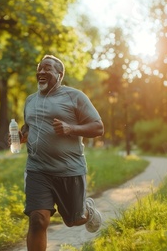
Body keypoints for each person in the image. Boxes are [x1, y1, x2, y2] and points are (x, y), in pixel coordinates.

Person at [15, 55, 104, 250]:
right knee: (37, 220)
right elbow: (29, 128)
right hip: (38, 170)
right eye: (39, 69)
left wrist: (71, 128)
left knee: (74, 220)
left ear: (59, 75)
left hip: (69, 170)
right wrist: (22, 137)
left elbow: (98, 128)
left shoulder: (75, 96)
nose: (41, 72)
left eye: (47, 69)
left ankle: (86, 210)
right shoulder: (30, 100)